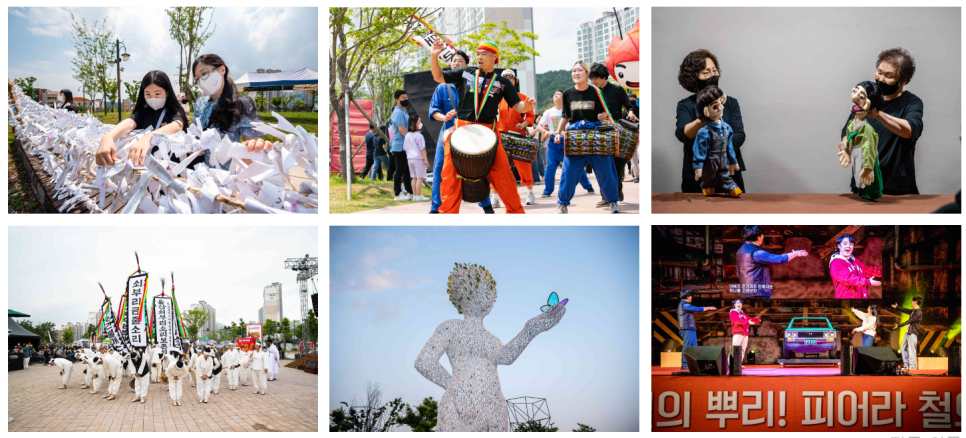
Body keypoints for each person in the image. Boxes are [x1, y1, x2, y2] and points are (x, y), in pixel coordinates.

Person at [429, 39, 537, 214]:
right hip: (462, 130)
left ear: (494, 57)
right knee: (449, 176)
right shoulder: (465, 72)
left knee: (505, 177)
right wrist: (434, 57)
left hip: (490, 132)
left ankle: (516, 213)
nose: (479, 57)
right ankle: (447, 215)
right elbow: (438, 76)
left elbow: (517, 105)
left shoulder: (502, 82)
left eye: (483, 54)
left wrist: (526, 107)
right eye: (477, 54)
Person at [838, 48, 923, 195]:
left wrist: (877, 115)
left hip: (897, 188)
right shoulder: (867, 95)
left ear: (902, 81)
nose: (881, 79)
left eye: (889, 76)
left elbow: (910, 130)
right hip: (863, 181)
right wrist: (846, 142)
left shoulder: (912, 102)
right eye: (879, 72)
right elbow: (848, 130)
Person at [427, 50, 494, 213]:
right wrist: (444, 117)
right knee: (439, 169)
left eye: (460, 61)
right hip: (448, 134)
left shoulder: (476, 84)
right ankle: (436, 207)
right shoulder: (442, 87)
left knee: (478, 168)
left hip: (471, 134)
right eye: (453, 61)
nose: (456, 63)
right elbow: (434, 110)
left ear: (467, 65)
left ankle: (486, 205)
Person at [553, 61, 621, 214]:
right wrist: (558, 133)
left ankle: (613, 202)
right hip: (575, 138)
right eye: (573, 71)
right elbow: (565, 116)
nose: (576, 73)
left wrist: (602, 117)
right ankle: (562, 204)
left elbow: (606, 113)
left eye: (579, 70)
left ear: (587, 73)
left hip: (596, 136)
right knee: (568, 173)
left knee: (606, 173)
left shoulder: (597, 92)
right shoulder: (568, 94)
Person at [675, 49, 747, 193]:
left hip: (729, 171)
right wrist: (703, 118)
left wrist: (717, 150)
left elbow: (739, 134)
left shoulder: (730, 102)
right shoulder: (685, 105)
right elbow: (683, 134)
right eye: (706, 73)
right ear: (693, 78)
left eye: (714, 71)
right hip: (697, 175)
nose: (712, 75)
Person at [191, 54, 275, 170]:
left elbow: (251, 155)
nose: (201, 80)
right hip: (200, 173)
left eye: (204, 73)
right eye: (197, 78)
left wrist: (255, 147)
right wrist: (193, 146)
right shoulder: (200, 104)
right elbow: (195, 137)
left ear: (222, 69)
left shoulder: (241, 104)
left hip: (226, 177)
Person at [95, 70, 189, 167]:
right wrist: (108, 137)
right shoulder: (143, 112)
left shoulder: (174, 111)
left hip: (170, 170)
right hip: (144, 169)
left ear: (167, 93)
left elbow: (177, 125)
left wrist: (148, 137)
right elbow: (130, 122)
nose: (153, 98)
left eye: (157, 94)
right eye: (148, 94)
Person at [588, 62, 638, 204]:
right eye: (591, 79)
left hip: (617, 132)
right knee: (602, 165)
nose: (593, 82)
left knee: (618, 164)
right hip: (600, 133)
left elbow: (629, 106)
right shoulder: (592, 92)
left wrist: (632, 113)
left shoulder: (617, 89)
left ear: (604, 77)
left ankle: (617, 190)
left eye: (595, 78)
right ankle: (605, 196)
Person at [536, 90, 594, 199]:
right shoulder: (549, 112)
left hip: (568, 141)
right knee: (550, 167)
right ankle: (548, 190)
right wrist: (545, 132)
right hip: (554, 142)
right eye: (554, 94)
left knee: (574, 166)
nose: (555, 96)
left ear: (564, 98)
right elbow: (539, 126)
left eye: (558, 94)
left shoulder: (570, 111)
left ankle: (588, 186)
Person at [497, 69, 537, 206]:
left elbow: (530, 115)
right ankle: (494, 196)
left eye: (511, 78)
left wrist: (523, 124)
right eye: (505, 78)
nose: (508, 80)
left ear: (516, 81)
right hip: (500, 136)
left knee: (523, 166)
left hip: (518, 136)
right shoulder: (494, 97)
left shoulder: (522, 97)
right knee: (497, 166)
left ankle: (530, 192)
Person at [736, 226, 808, 299]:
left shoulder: (741, 250)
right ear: (758, 237)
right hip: (758, 293)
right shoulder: (757, 253)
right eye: (762, 235)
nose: (763, 237)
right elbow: (780, 259)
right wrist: (795, 253)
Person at [829, 233, 882, 299]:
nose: (848, 246)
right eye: (845, 244)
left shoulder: (854, 261)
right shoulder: (836, 263)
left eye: (851, 244)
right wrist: (868, 281)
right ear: (839, 246)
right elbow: (848, 279)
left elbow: (866, 270)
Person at [677, 290, 716, 370]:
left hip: (690, 329)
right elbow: (697, 309)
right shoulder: (684, 305)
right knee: (687, 346)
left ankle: (697, 364)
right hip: (686, 329)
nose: (691, 297)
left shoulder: (685, 304)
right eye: (691, 296)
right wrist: (709, 307)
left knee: (694, 347)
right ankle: (684, 364)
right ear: (688, 297)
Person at [390, 90, 414, 201]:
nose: (405, 99)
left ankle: (410, 192)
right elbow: (402, 129)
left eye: (406, 97)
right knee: (400, 170)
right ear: (397, 100)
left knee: (406, 170)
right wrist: (411, 140)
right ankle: (397, 194)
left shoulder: (403, 111)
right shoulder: (398, 112)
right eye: (403, 98)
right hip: (400, 146)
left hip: (404, 145)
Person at [403, 114, 430, 202]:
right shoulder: (419, 136)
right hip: (418, 159)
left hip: (410, 159)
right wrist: (426, 160)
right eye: (419, 121)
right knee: (420, 177)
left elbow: (404, 148)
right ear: (415, 123)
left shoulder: (407, 135)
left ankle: (415, 195)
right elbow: (422, 149)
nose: (420, 123)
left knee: (414, 178)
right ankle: (419, 196)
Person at [892, 297, 923, 370]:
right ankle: (907, 364)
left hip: (913, 332)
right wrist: (897, 307)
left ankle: (912, 365)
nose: (911, 302)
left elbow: (909, 321)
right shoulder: (913, 311)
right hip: (908, 332)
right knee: (903, 347)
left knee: (911, 349)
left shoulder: (918, 312)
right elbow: (906, 310)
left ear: (915, 302)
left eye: (913, 301)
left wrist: (899, 325)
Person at [729, 299, 759, 368]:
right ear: (734, 305)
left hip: (745, 334)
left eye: (740, 303)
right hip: (738, 333)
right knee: (735, 349)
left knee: (742, 350)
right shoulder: (733, 312)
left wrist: (757, 320)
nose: (739, 304)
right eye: (737, 303)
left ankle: (738, 364)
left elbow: (748, 318)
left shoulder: (742, 313)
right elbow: (737, 321)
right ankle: (731, 364)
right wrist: (748, 322)